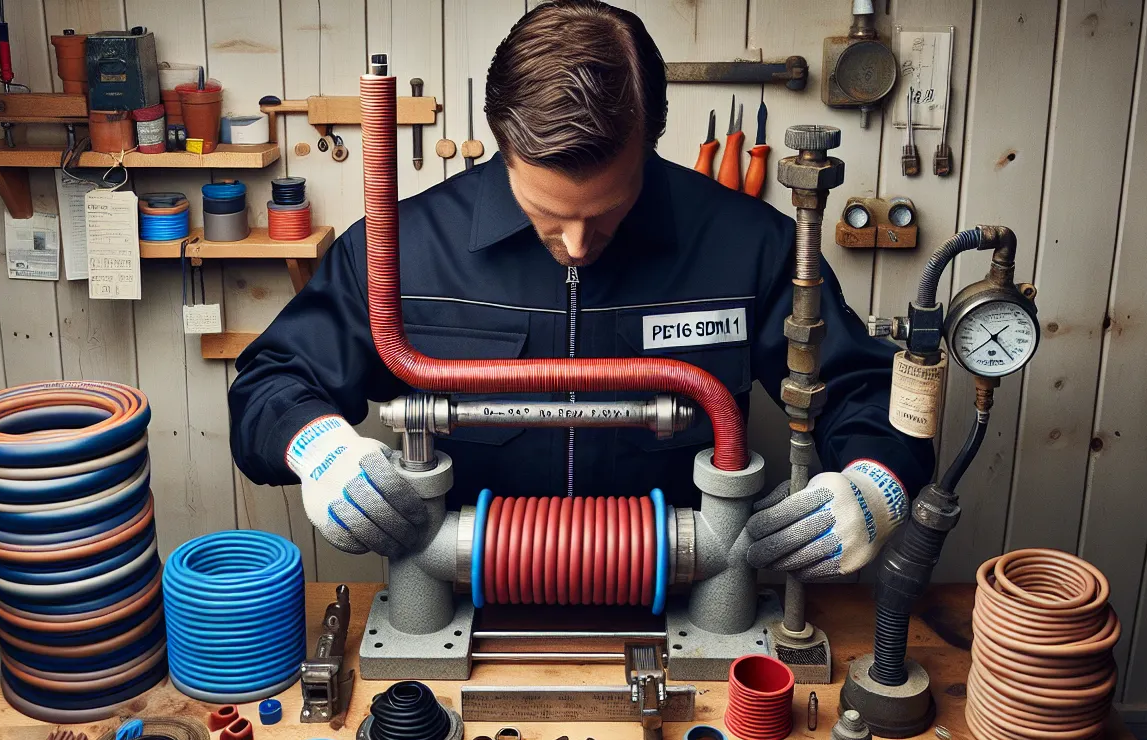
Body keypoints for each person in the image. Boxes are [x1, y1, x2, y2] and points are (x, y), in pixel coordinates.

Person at [228, 0, 932, 582]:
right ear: (502, 141)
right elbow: (269, 384)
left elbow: (864, 391)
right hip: (458, 607)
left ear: (652, 136)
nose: (574, 245)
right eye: (546, 216)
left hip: (690, 601)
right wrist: (318, 450)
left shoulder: (750, 246)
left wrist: (876, 484)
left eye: (605, 212)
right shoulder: (402, 250)